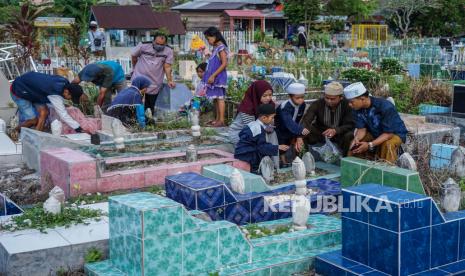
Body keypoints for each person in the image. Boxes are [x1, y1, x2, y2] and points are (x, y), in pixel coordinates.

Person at [344, 82, 408, 164]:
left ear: (362, 99)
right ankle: (356, 169)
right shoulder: (356, 108)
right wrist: (356, 139)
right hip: (375, 133)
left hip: (395, 134)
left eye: (351, 102)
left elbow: (388, 134)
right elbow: (361, 129)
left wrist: (369, 144)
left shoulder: (385, 107)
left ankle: (387, 171)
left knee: (387, 145)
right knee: (356, 145)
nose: (349, 105)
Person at [10, 71, 86, 133]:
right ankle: (14, 132)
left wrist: (63, 105)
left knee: (44, 113)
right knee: (33, 120)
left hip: (35, 91)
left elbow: (54, 101)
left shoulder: (64, 82)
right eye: (71, 98)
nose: (70, 100)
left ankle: (37, 136)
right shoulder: (55, 93)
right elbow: (63, 114)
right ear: (66, 92)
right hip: (19, 90)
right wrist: (78, 128)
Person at [298, 81, 355, 156]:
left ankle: (345, 160)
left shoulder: (347, 105)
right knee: (305, 132)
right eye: (327, 98)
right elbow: (306, 120)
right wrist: (299, 136)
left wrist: (336, 130)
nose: (329, 101)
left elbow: (350, 124)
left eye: (332, 99)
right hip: (321, 133)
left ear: (341, 97)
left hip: (340, 134)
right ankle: (304, 158)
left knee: (350, 135)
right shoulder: (318, 103)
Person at [234, 104, 289, 173]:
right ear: (264, 118)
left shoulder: (252, 124)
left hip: (240, 153)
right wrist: (277, 147)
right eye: (272, 117)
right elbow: (261, 147)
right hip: (247, 156)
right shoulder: (259, 129)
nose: (273, 120)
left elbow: (241, 134)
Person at [131, 31, 175, 115]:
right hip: (139, 77)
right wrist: (134, 68)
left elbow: (167, 66)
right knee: (135, 102)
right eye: (157, 43)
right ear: (153, 41)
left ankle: (148, 122)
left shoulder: (169, 50)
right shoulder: (143, 45)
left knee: (150, 106)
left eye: (162, 44)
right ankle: (135, 120)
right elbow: (134, 56)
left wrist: (170, 80)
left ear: (165, 43)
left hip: (155, 81)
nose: (159, 46)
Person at [228, 80, 274, 145]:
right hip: (239, 133)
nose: (268, 98)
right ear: (256, 94)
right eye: (264, 96)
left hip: (258, 131)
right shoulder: (247, 107)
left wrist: (270, 126)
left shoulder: (270, 104)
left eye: (270, 95)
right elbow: (253, 128)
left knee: (273, 135)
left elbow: (271, 122)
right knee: (256, 146)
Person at [275, 82, 310, 164]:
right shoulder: (285, 107)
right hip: (281, 129)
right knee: (283, 144)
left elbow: (298, 119)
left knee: (299, 143)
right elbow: (288, 121)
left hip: (293, 128)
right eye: (297, 98)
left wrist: (298, 134)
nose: (301, 100)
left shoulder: (302, 105)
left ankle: (298, 161)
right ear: (290, 96)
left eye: (302, 97)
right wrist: (300, 130)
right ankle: (283, 162)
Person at [203, 27, 228, 127]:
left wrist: (213, 75)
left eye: (208, 39)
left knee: (220, 98)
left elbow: (224, 63)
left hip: (218, 77)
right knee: (216, 98)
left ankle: (221, 120)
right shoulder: (216, 48)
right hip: (215, 76)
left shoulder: (221, 47)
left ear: (214, 37)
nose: (208, 41)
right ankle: (217, 119)